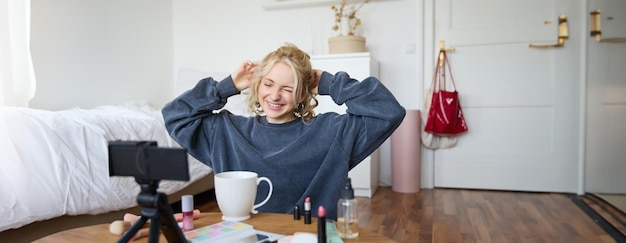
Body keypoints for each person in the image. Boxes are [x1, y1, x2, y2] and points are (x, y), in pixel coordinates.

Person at [162, 43, 405, 220]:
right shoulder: (226, 132)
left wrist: (329, 83)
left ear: (303, 94)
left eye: (288, 88)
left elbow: (388, 111)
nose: (275, 96)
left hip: (307, 234)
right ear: (257, 86)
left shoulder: (332, 132)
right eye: (268, 84)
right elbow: (175, 115)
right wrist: (228, 86)